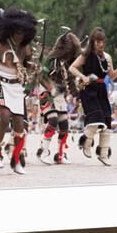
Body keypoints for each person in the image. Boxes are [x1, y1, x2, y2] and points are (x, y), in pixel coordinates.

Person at [0, 8, 38, 175]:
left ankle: (17, 158)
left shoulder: (25, 48)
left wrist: (34, 67)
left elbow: (27, 64)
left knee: (20, 125)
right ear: (10, 29)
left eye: (23, 32)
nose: (20, 35)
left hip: (16, 86)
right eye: (17, 32)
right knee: (5, 117)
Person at [68, 27, 117, 166]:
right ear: (93, 42)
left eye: (103, 41)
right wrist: (82, 76)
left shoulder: (107, 57)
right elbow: (72, 68)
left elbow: (111, 75)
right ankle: (86, 143)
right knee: (96, 119)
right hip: (88, 90)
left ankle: (103, 154)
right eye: (98, 41)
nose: (101, 44)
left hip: (101, 90)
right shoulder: (86, 55)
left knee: (106, 123)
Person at [36, 30, 82, 164]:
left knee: (64, 125)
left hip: (60, 96)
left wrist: (77, 95)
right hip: (47, 92)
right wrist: (52, 88)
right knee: (53, 120)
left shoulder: (68, 63)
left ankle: (61, 154)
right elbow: (40, 76)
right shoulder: (51, 60)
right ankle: (43, 151)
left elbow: (71, 82)